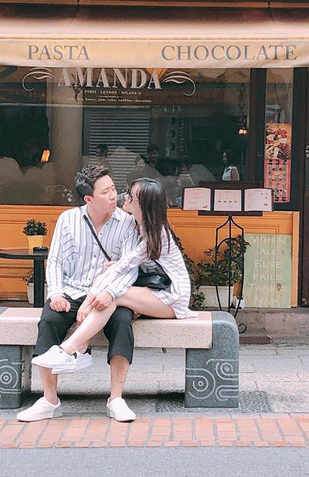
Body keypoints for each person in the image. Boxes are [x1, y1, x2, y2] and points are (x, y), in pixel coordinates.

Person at [36, 177, 196, 394]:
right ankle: (78, 348)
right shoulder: (143, 227)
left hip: (172, 297)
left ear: (142, 204)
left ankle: (70, 348)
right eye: (110, 191)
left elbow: (125, 266)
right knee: (110, 293)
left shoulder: (155, 232)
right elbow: (125, 265)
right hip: (156, 293)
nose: (121, 197)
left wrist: (88, 302)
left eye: (130, 195)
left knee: (113, 296)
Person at [17, 164, 140, 423]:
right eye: (105, 192)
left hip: (110, 293)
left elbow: (129, 268)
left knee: (122, 322)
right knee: (49, 319)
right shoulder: (68, 219)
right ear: (88, 199)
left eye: (113, 189)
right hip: (73, 290)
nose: (113, 196)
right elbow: (55, 261)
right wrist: (56, 293)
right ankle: (50, 400)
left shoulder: (127, 222)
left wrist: (109, 293)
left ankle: (116, 398)